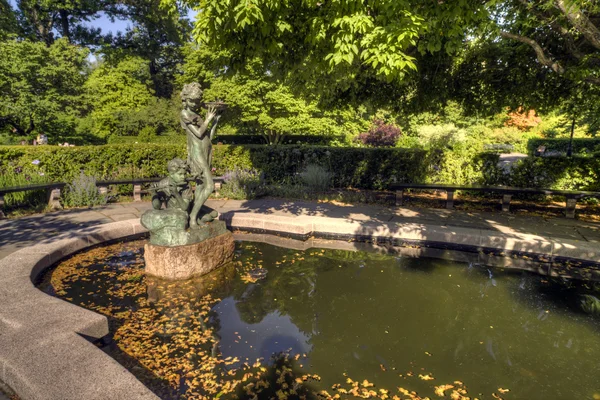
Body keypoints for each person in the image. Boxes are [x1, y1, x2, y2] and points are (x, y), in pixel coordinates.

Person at [180, 83, 222, 228]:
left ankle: (197, 216)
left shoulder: (196, 115)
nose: (195, 104)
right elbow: (198, 133)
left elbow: (208, 135)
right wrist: (208, 119)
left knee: (200, 186)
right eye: (192, 101)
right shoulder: (184, 114)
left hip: (206, 150)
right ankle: (192, 218)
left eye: (197, 101)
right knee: (209, 186)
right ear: (185, 99)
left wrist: (215, 122)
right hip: (197, 152)